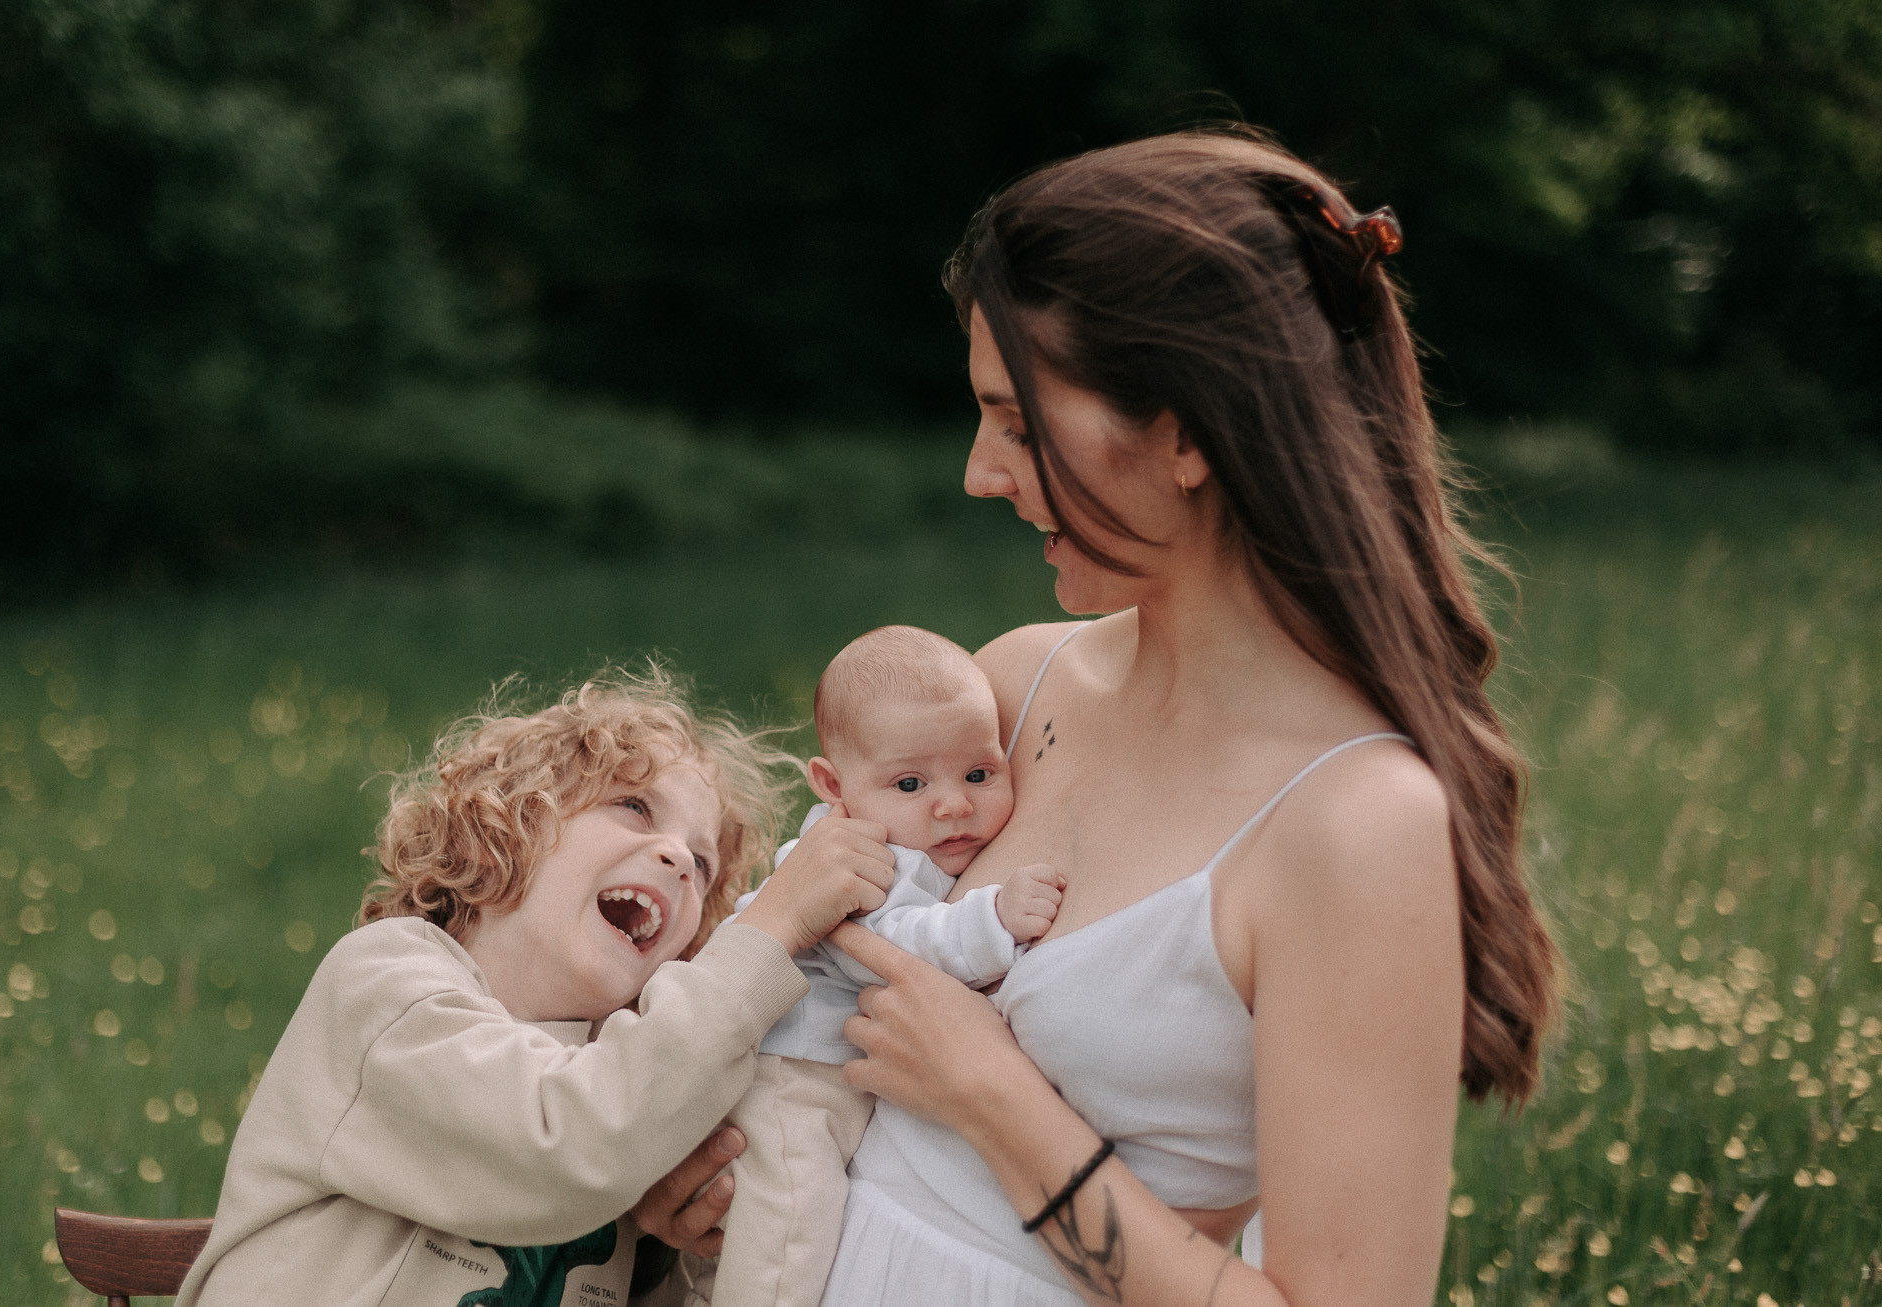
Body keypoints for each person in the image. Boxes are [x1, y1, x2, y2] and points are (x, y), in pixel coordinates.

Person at [637, 128, 1561, 1307]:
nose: (980, 470)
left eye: (1019, 421)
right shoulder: (1015, 689)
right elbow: (833, 1034)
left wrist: (999, 1100)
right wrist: (708, 1193)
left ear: (1183, 431)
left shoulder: (1356, 820)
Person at [177, 669, 896, 1307]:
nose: (680, 858)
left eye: (705, 867)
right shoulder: (387, 985)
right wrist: (764, 936)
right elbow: (568, 1141)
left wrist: (661, 1247)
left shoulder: (629, 1078)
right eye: (636, 808)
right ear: (511, 824)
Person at [711, 625, 1065, 1307]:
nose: (953, 802)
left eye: (979, 773)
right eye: (910, 781)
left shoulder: (909, 837)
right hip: (790, 1075)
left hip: (835, 1075)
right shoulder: (852, 853)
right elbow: (892, 942)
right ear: (831, 784)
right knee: (788, 1225)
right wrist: (990, 918)